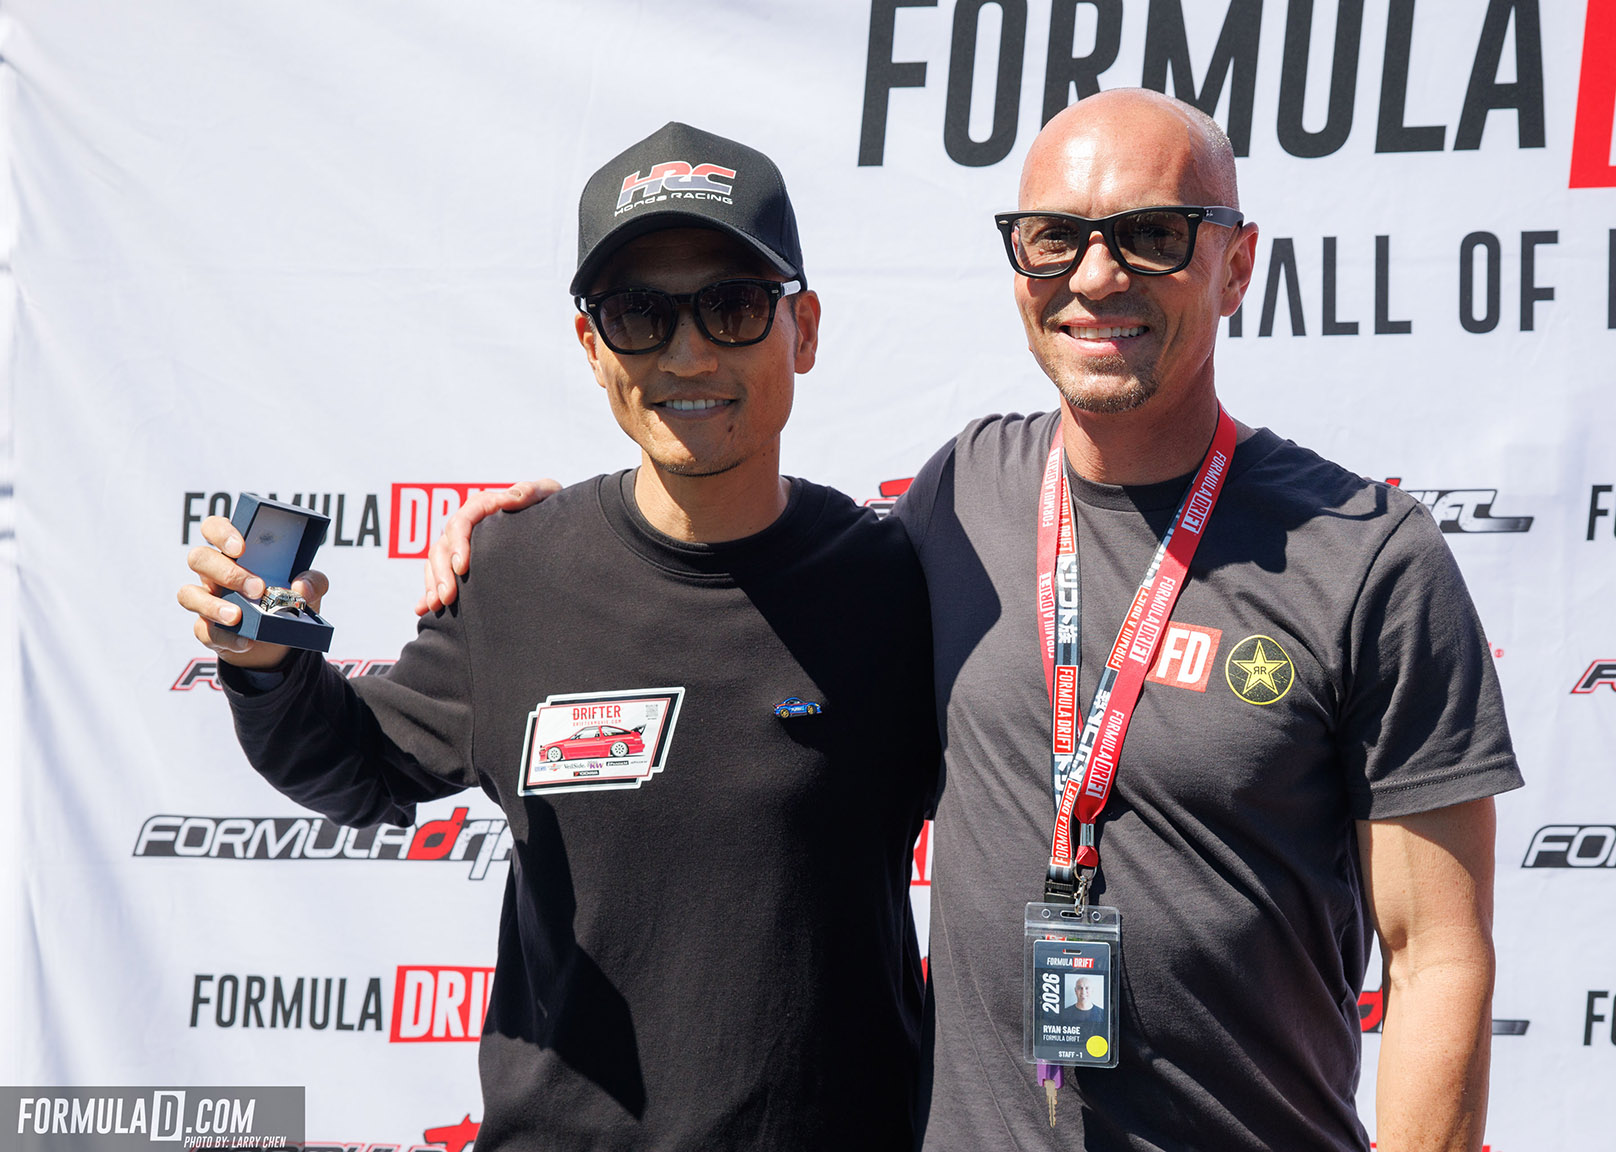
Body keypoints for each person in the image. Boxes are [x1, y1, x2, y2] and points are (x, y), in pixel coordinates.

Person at [425, 91, 1521, 1151]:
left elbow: (1438, 955)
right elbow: (736, 577)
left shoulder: (1368, 556)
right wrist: (540, 544)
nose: (1097, 276)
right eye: (1054, 239)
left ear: (1236, 264)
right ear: (1017, 269)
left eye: (1151, 235)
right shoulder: (963, 497)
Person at [176, 121, 938, 1151]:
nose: (687, 352)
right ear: (592, 349)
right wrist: (265, 663)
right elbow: (354, 765)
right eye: (638, 313)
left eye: (732, 305)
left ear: (802, 330)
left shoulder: (900, 584)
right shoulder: (517, 572)